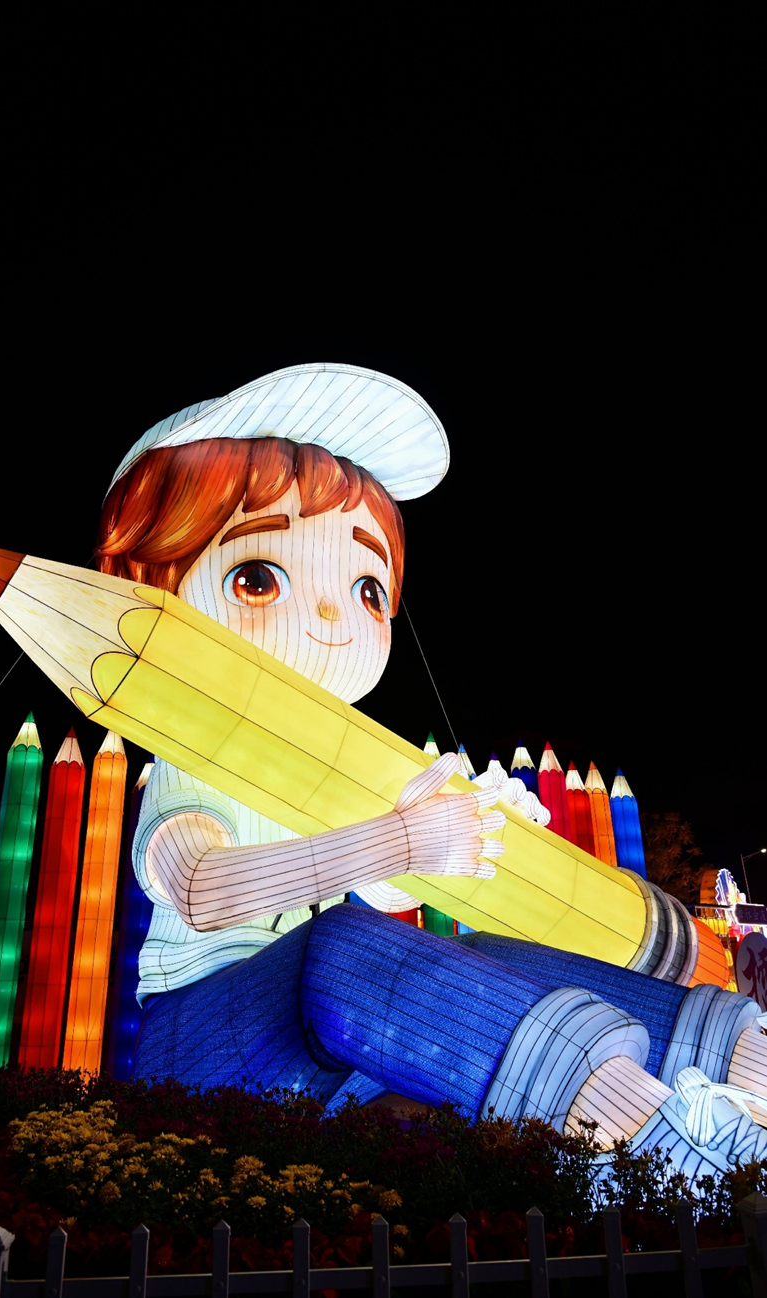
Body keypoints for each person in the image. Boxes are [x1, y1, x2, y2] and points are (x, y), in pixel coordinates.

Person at [96, 363, 767, 1179]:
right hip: (198, 1044)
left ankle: (741, 1071)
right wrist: (396, 838)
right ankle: (661, 1146)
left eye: (366, 586)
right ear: (150, 585)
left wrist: (466, 838)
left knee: (481, 950)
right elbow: (202, 889)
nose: (331, 614)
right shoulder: (196, 757)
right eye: (258, 577)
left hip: (313, 1049)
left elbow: (379, 895)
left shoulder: (316, 765)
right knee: (337, 948)